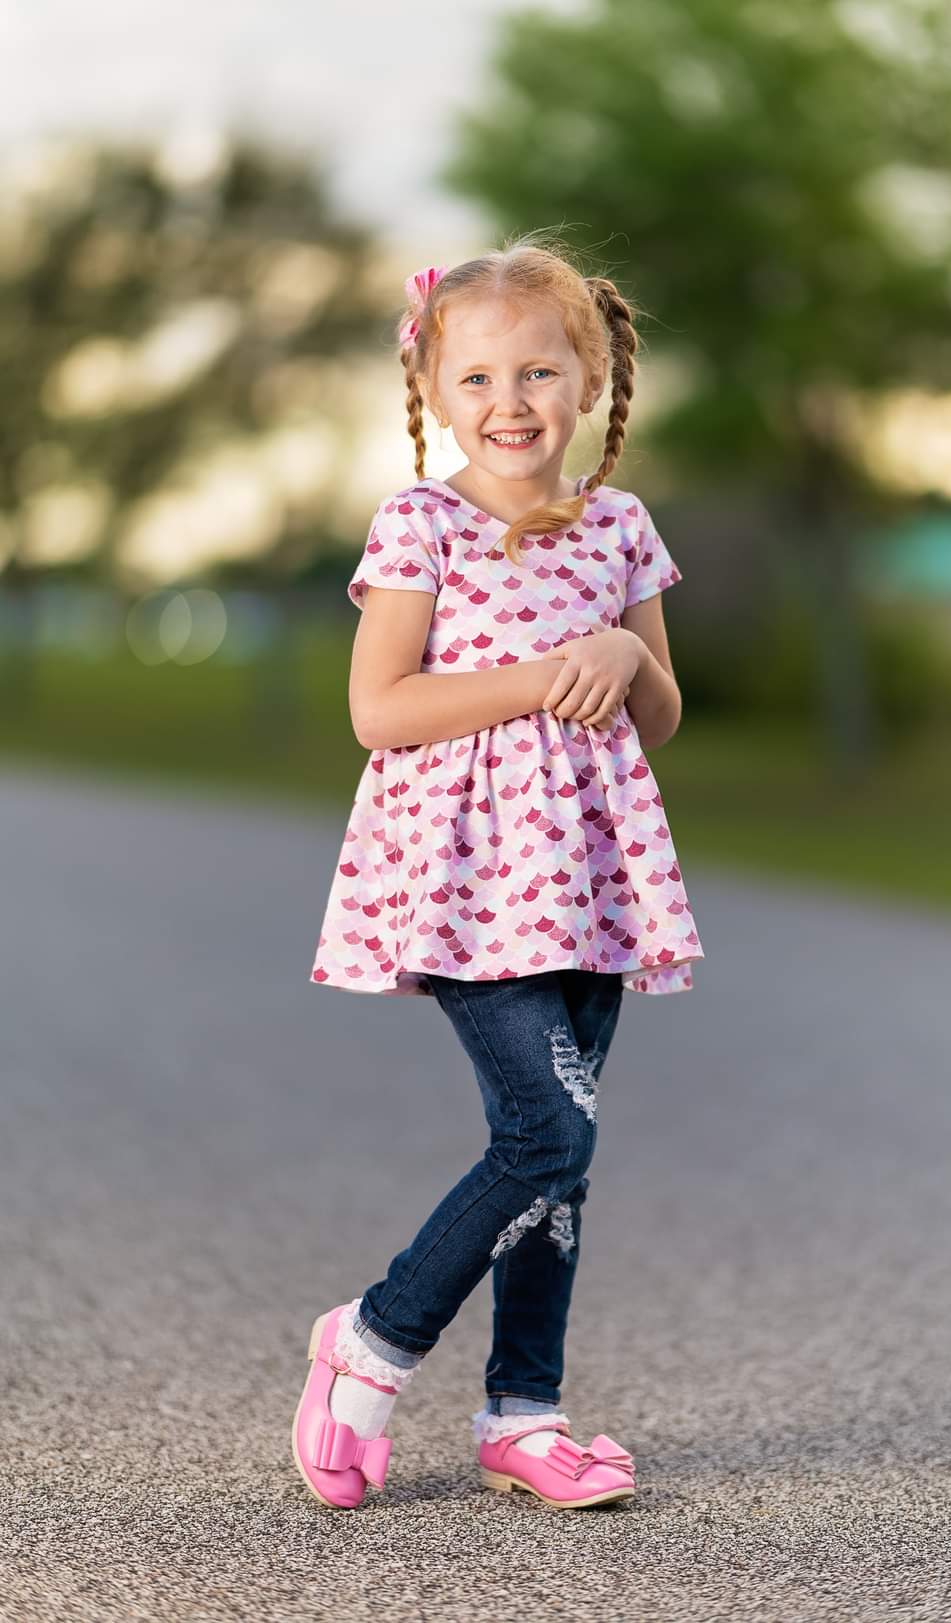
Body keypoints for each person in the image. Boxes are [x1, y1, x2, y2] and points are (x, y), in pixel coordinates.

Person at [292, 236, 705, 1512]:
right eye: (477, 379)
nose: (510, 403)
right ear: (432, 387)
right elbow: (380, 708)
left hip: (590, 874)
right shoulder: (420, 525)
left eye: (537, 372)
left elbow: (666, 712)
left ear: (586, 377)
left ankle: (526, 1412)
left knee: (561, 1165)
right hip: (470, 881)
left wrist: (626, 663)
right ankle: (371, 1341)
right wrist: (541, 675)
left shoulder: (621, 528)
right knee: (549, 1129)